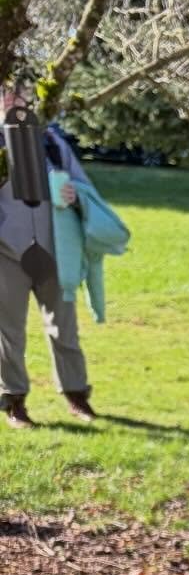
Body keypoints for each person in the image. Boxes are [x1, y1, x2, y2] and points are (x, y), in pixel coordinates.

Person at [0, 100, 98, 427]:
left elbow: (84, 188)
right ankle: (14, 402)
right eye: (7, 94)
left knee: (65, 326)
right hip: (6, 254)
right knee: (9, 333)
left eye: (25, 93)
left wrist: (75, 194)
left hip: (54, 251)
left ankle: (76, 395)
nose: (16, 101)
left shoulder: (51, 141)